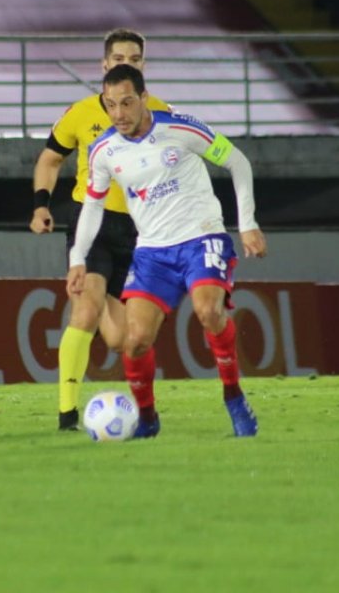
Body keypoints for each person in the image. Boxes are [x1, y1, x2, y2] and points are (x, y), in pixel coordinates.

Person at [67, 64, 266, 438]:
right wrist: (78, 257)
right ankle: (147, 418)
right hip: (153, 252)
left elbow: (237, 161)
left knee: (208, 310)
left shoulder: (181, 127)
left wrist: (248, 222)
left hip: (201, 237)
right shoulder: (104, 151)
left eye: (127, 103)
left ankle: (233, 397)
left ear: (143, 98)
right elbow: (92, 206)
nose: (119, 114)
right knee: (135, 340)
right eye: (111, 105)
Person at [29, 28, 169, 431]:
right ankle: (66, 413)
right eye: (119, 58)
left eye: (135, 59)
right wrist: (41, 205)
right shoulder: (82, 112)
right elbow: (49, 161)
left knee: (120, 340)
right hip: (92, 221)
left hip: (142, 231)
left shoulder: (163, 113)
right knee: (85, 307)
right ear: (104, 64)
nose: (126, 63)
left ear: (143, 66)